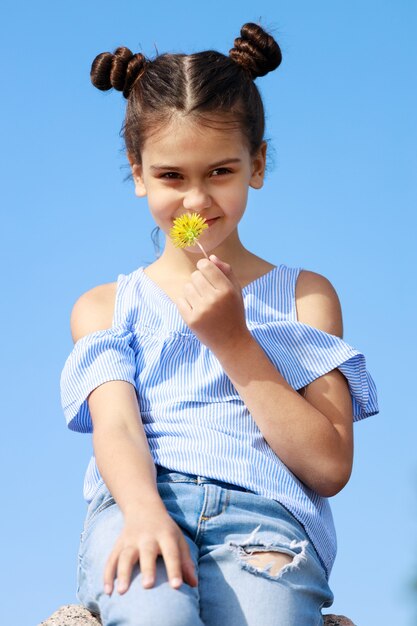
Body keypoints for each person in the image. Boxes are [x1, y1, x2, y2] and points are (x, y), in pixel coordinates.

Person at [60, 22, 379, 626]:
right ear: (138, 173)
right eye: (171, 177)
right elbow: (119, 431)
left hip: (267, 519)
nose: (196, 202)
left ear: (257, 165)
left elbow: (330, 465)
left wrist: (232, 339)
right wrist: (144, 511)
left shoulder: (303, 296)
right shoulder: (105, 306)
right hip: (141, 503)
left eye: (221, 173)